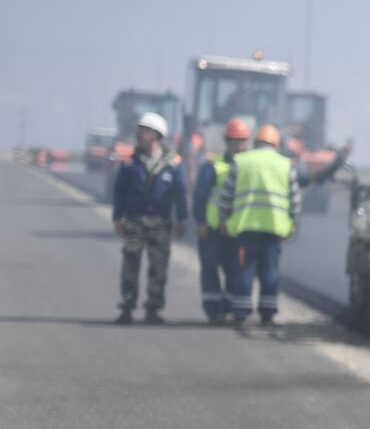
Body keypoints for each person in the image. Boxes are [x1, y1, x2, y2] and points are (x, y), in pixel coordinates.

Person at [217, 124, 299, 329]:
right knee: (270, 272)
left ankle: (241, 313)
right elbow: (294, 199)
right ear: (276, 144)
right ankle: (268, 315)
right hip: (274, 229)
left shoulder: (242, 161)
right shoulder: (286, 164)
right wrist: (293, 224)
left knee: (245, 271)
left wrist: (223, 219)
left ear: (255, 143)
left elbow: (226, 196)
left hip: (246, 228)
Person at [111, 112, 186, 324]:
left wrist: (182, 219)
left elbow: (180, 193)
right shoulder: (129, 163)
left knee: (159, 267)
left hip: (161, 223)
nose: (138, 136)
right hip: (134, 221)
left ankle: (153, 309)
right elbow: (120, 191)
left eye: (142, 132)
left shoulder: (173, 164)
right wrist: (118, 216)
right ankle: (127, 307)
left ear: (154, 135)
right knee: (130, 265)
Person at [191, 119, 249, 323]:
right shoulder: (213, 166)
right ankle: (214, 311)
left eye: (243, 142)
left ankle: (230, 308)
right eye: (236, 142)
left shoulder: (248, 168)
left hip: (236, 231)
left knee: (235, 271)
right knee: (210, 269)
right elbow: (201, 196)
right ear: (227, 142)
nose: (240, 146)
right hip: (213, 229)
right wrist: (201, 222)